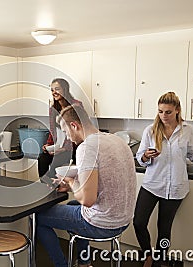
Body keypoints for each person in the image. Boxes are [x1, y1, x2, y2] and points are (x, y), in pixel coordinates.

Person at [36, 104, 137, 267]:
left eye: (65, 131)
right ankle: (84, 263)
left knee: (38, 218)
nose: (67, 137)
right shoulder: (116, 140)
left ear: (74, 126)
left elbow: (87, 200)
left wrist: (70, 182)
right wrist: (72, 185)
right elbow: (103, 179)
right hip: (123, 220)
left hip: (102, 223)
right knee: (72, 204)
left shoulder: (86, 147)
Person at [134, 92, 193, 267]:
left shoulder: (187, 130)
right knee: (138, 222)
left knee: (164, 230)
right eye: (160, 112)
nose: (163, 116)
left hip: (175, 187)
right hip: (152, 184)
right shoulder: (150, 130)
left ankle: (157, 262)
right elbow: (139, 158)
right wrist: (146, 156)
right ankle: (148, 255)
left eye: (167, 112)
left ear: (177, 110)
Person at [38, 78, 82, 178]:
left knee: (54, 167)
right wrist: (48, 145)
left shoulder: (76, 105)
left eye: (57, 89)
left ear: (65, 89)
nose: (54, 92)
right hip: (58, 147)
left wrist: (64, 149)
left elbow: (79, 132)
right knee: (42, 159)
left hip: (73, 147)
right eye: (52, 90)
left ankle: (58, 191)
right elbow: (53, 130)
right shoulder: (52, 109)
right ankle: (45, 188)